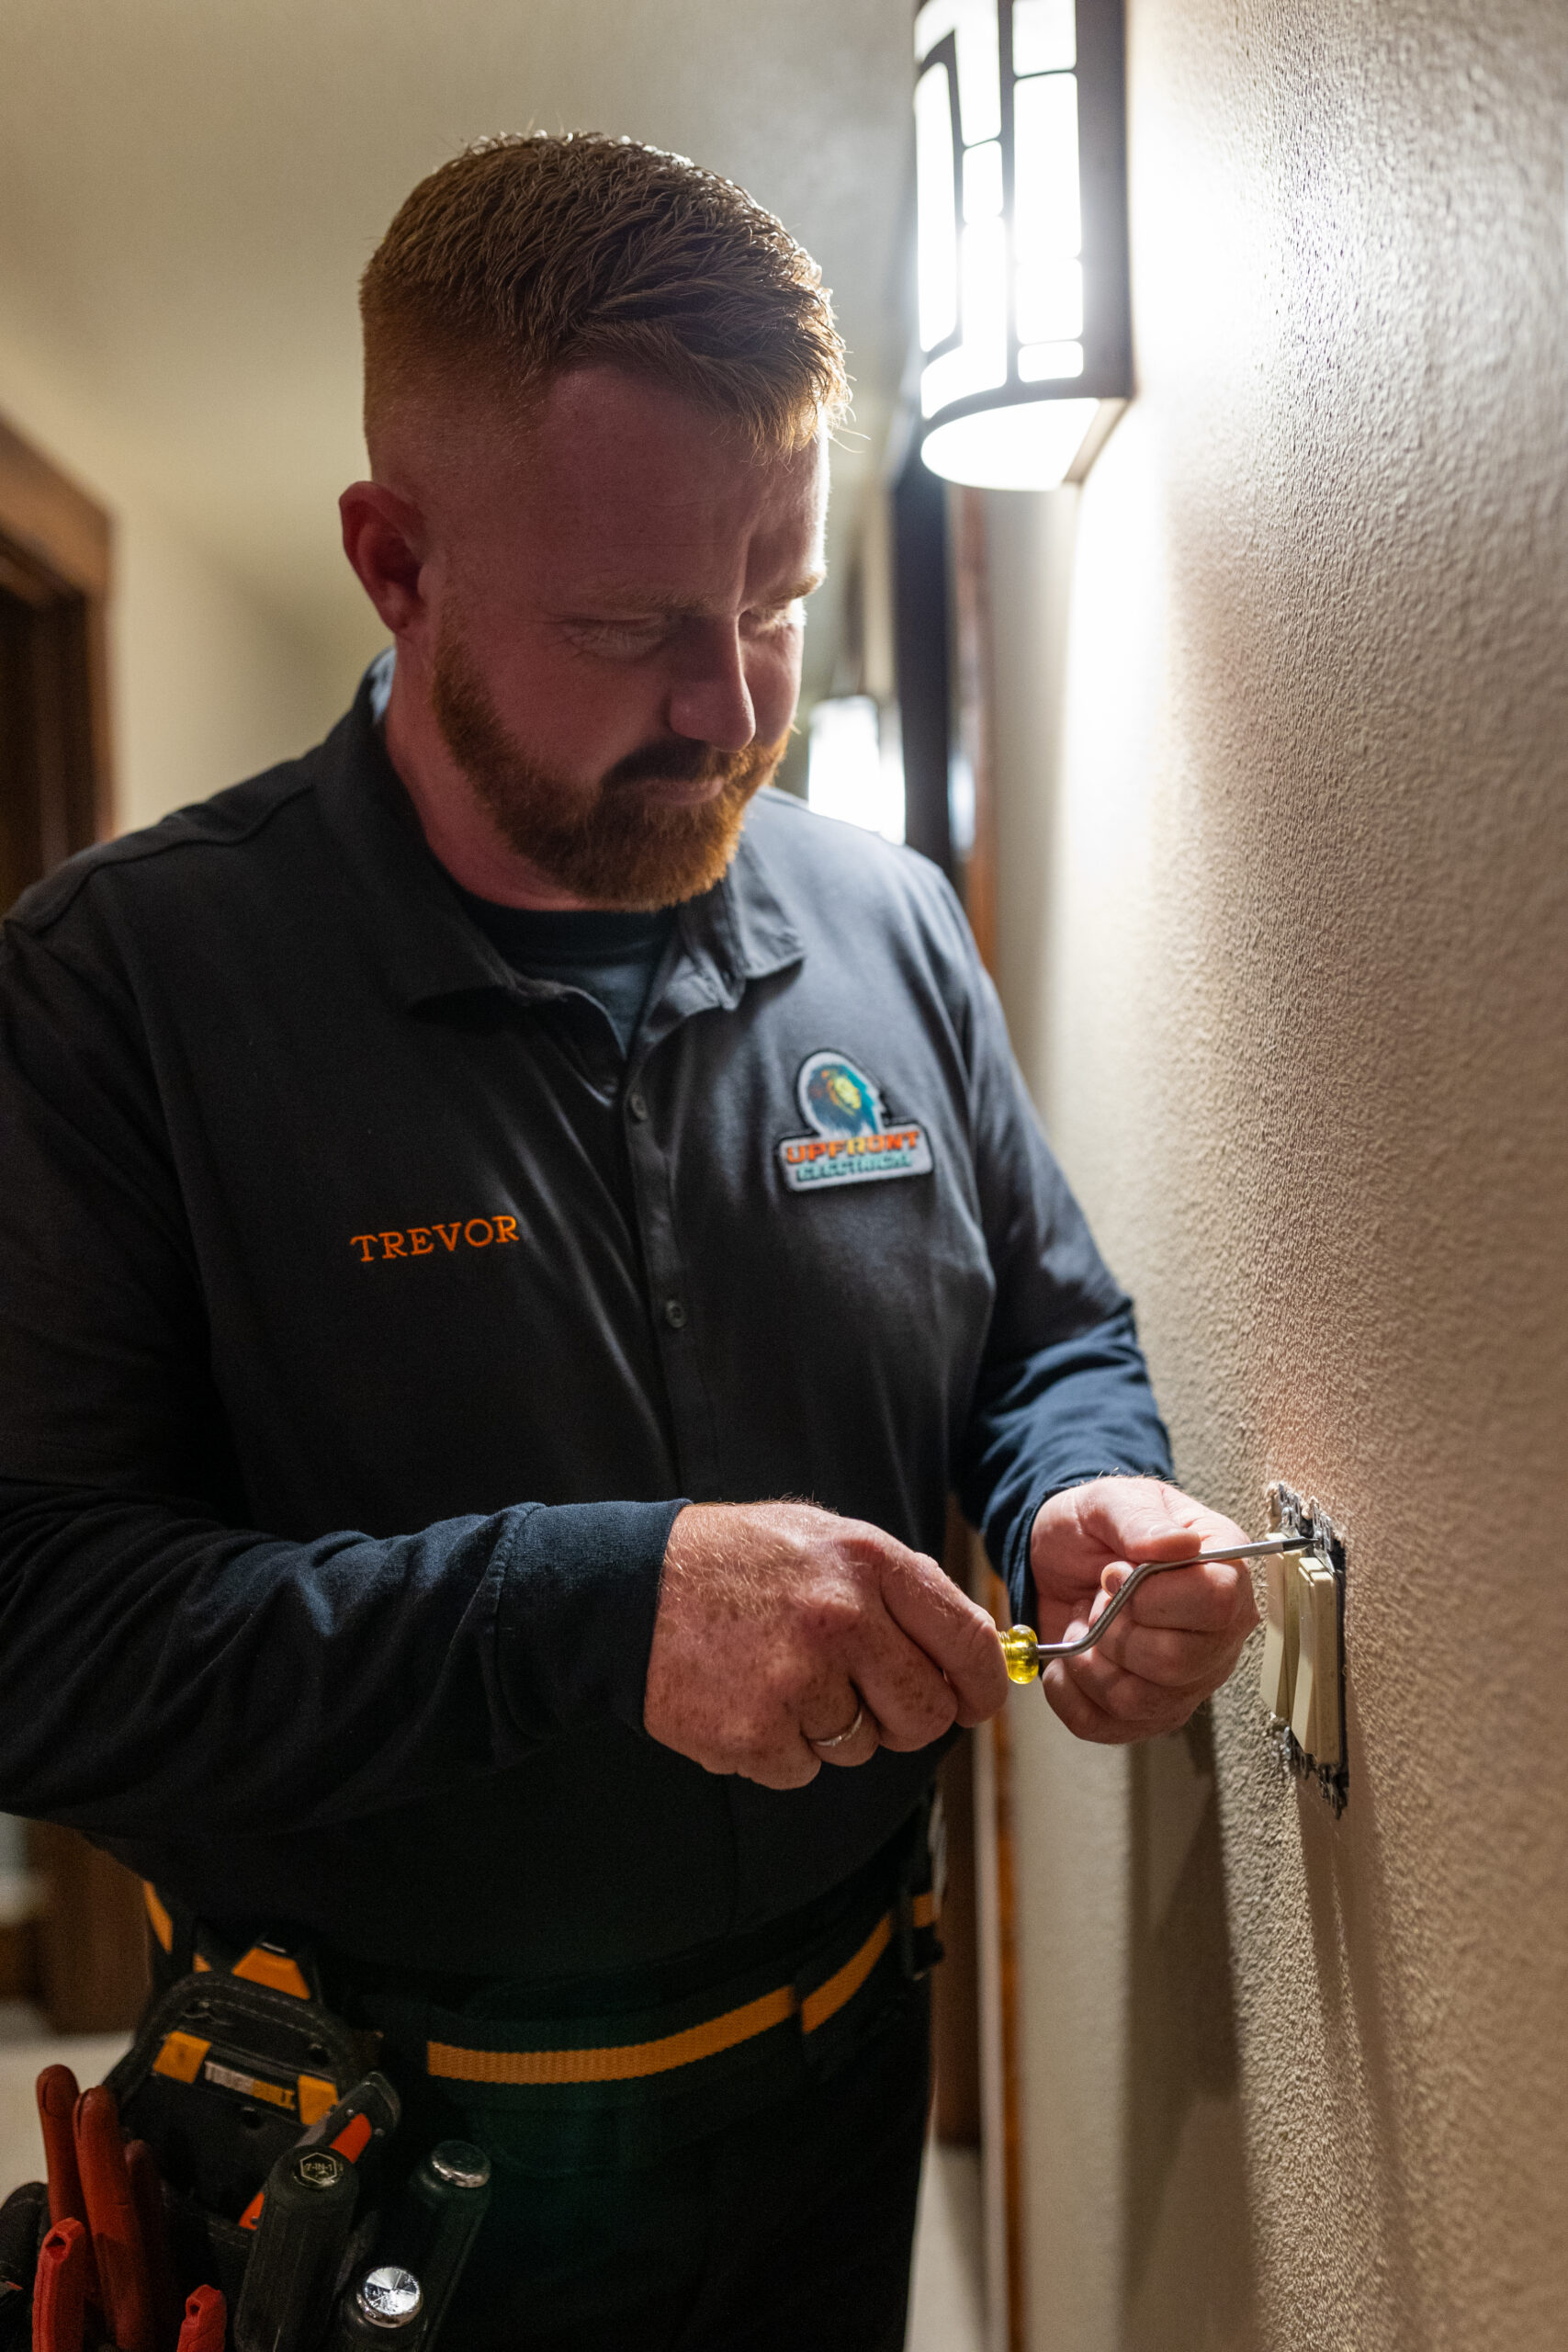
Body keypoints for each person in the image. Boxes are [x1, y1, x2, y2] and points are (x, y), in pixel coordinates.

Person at [0, 134, 1258, 2349]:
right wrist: (598, 1605)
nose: (733, 701)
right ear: (392, 560)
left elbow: (1045, 1327)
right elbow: (38, 1632)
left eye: (770, 597)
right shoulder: (123, 989)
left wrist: (1077, 1488)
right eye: (629, 627)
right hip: (367, 2169)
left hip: (842, 2078)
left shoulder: (883, 918)